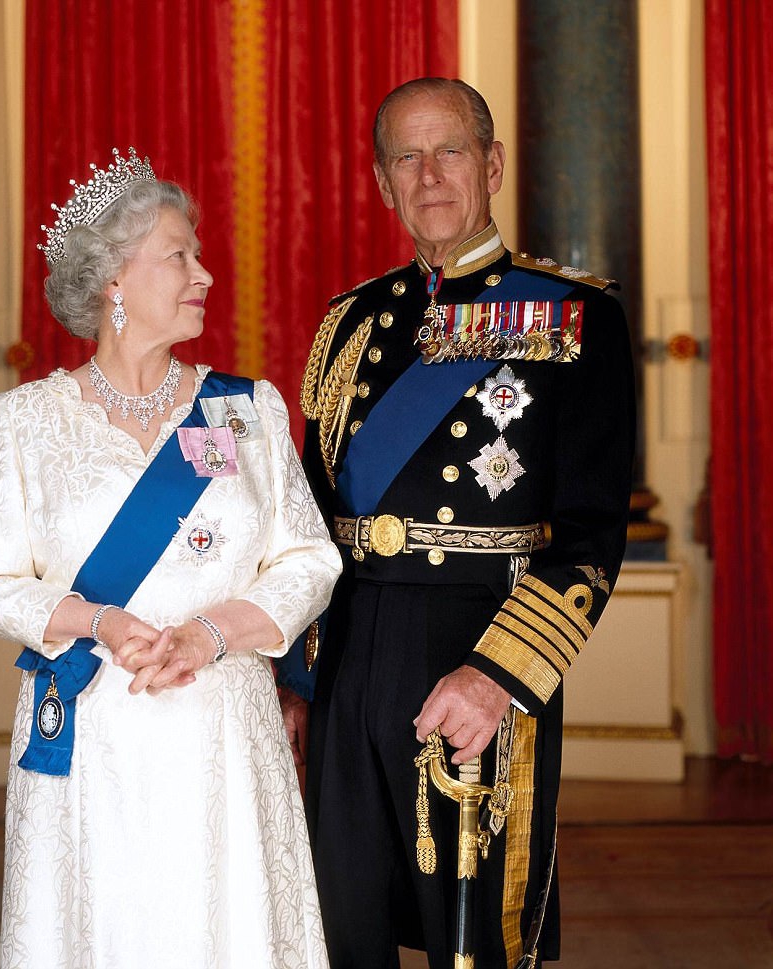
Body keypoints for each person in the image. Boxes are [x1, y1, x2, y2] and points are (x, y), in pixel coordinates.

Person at [0, 148, 341, 969]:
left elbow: (309, 558)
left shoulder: (239, 411)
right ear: (113, 281)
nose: (203, 273)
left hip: (221, 729)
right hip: (94, 730)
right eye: (179, 255)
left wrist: (210, 630)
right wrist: (99, 618)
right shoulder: (26, 421)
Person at [276, 78, 635, 969]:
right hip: (349, 646)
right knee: (341, 919)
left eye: (451, 151)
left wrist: (498, 676)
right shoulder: (348, 323)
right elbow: (309, 519)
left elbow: (589, 533)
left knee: (473, 935)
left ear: (493, 165)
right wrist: (294, 677)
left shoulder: (572, 316)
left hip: (475, 642)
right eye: (407, 156)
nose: (429, 175)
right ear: (381, 180)